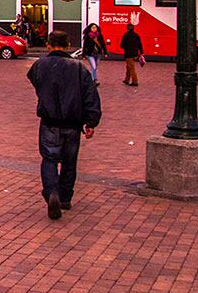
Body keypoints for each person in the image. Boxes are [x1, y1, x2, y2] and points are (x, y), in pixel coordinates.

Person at [26, 30, 101, 221]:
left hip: (49, 121)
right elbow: (90, 96)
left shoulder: (39, 66)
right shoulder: (78, 68)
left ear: (49, 45)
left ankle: (52, 191)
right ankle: (65, 197)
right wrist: (91, 121)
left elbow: (35, 81)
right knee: (69, 161)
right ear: (68, 45)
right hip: (72, 122)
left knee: (49, 158)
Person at [119, 22, 144, 87]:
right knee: (128, 67)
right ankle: (126, 80)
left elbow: (122, 45)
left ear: (127, 28)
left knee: (131, 68)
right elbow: (140, 45)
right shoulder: (136, 35)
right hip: (135, 54)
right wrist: (141, 52)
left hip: (128, 54)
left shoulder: (125, 35)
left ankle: (135, 81)